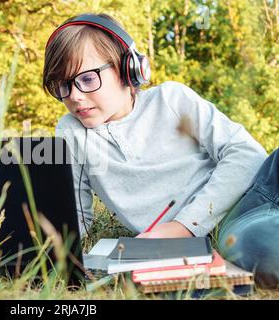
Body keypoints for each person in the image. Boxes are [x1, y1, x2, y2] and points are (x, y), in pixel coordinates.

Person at [43, 13, 278, 288]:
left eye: (86, 79)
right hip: (237, 226)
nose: (74, 95)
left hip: (253, 197)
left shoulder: (171, 101)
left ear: (128, 68)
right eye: (63, 84)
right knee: (263, 252)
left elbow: (247, 154)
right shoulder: (72, 132)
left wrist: (183, 227)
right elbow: (74, 218)